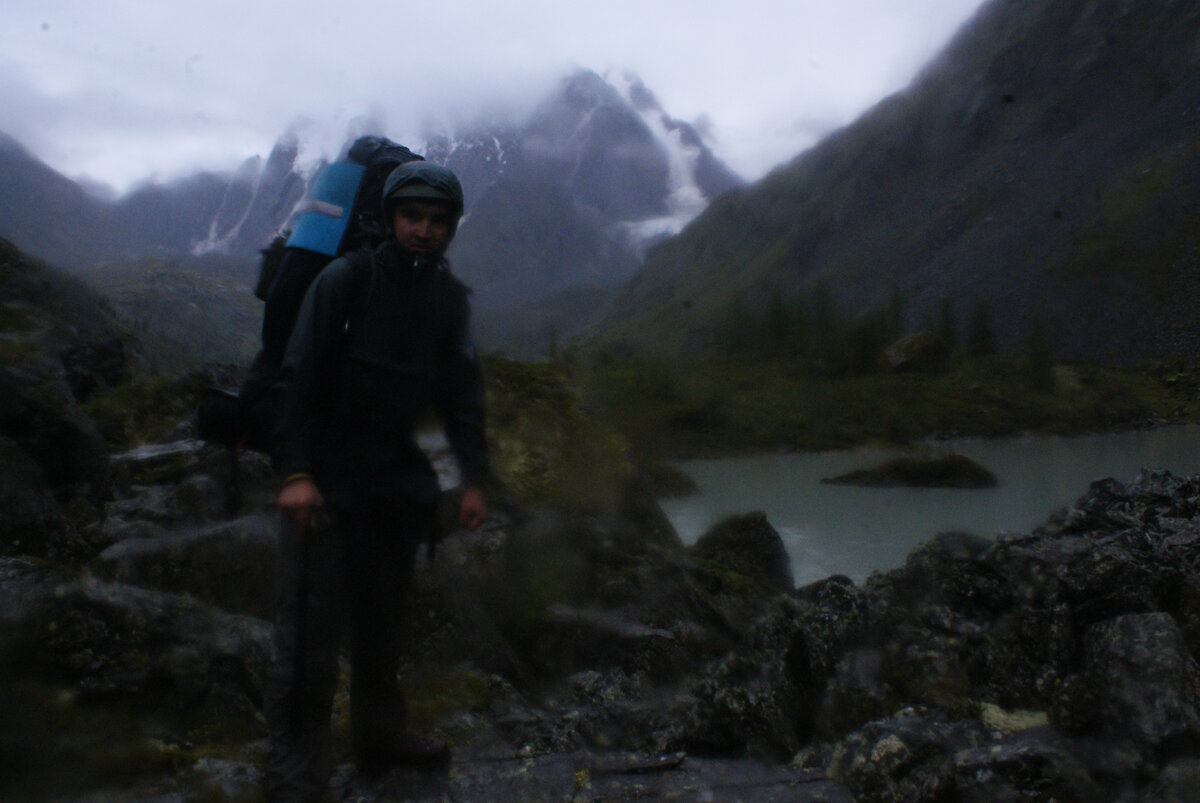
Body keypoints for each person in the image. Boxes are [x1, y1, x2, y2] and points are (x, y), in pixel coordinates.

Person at [262, 161, 490, 802]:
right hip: (327, 482)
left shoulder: (448, 299)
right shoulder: (346, 279)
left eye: (436, 221)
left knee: (383, 626)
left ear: (450, 229)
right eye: (412, 217)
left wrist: (474, 478)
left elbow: (462, 398)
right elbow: (296, 377)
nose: (423, 231)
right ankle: (294, 776)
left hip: (392, 485)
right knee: (309, 637)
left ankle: (379, 737)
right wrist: (296, 472)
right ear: (391, 219)